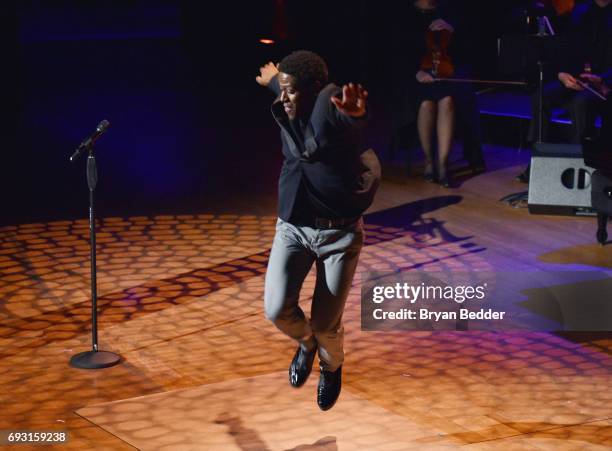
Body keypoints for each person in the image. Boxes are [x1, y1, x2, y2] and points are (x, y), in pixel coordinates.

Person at [255, 50, 379, 411]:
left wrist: (355, 114)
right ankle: (307, 344)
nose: (283, 97)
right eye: (282, 88)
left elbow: (345, 120)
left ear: (312, 90)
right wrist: (274, 79)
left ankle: (331, 366)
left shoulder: (329, 107)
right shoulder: (292, 98)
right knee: (277, 309)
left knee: (328, 324)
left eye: (290, 90)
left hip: (338, 236)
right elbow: (285, 86)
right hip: (293, 227)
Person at [518, 0, 612, 181]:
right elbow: (564, 49)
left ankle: (578, 167)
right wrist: (561, 73)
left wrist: (602, 80)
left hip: (603, 84)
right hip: (577, 79)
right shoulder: (580, 12)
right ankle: (538, 161)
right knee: (540, 96)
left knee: (580, 102)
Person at [395, 0, 485, 188]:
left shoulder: (451, 11)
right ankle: (429, 161)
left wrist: (453, 30)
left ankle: (443, 164)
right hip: (417, 77)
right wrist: (416, 72)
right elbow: (398, 52)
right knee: (427, 103)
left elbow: (469, 50)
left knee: (448, 100)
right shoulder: (405, 15)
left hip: (446, 74)